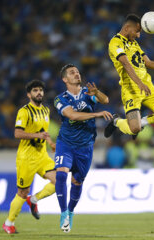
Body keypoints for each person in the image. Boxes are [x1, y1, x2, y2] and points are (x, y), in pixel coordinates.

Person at [54, 64, 112, 232]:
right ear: (65, 79)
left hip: (85, 145)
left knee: (77, 181)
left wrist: (97, 93)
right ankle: (63, 212)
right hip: (66, 143)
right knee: (60, 174)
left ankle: (71, 212)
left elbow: (105, 100)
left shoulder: (87, 93)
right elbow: (71, 115)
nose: (77, 74)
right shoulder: (60, 98)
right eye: (72, 73)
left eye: (78, 72)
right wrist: (96, 114)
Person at [2, 80, 57, 234]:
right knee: (22, 193)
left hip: (42, 156)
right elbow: (17, 133)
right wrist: (36, 135)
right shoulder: (24, 111)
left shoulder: (45, 110)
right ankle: (9, 223)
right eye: (35, 90)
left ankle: (33, 200)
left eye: (40, 90)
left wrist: (50, 142)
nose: (39, 92)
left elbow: (43, 132)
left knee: (59, 181)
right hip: (26, 158)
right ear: (29, 94)